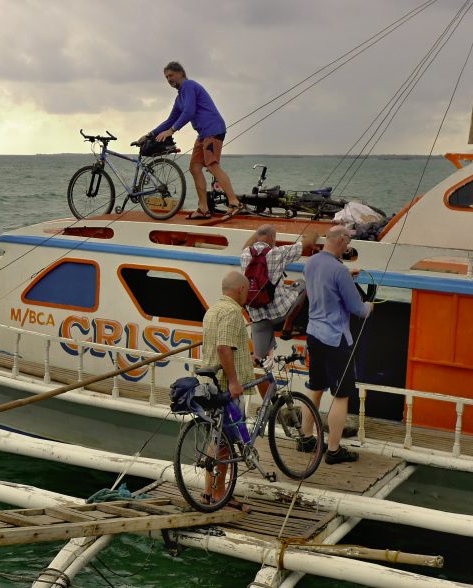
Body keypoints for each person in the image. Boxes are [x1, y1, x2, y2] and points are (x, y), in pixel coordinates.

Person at [303, 225, 373, 464]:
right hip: (335, 338)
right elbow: (358, 309)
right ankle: (333, 450)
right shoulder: (339, 271)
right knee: (341, 395)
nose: (348, 246)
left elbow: (326, 285)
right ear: (342, 241)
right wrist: (369, 307)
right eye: (348, 242)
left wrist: (346, 276)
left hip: (313, 333)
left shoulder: (311, 263)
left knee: (316, 386)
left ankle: (305, 438)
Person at [140, 61, 243, 221]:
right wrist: (149, 135)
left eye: (171, 75)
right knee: (195, 168)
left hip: (213, 129)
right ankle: (203, 209)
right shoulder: (180, 97)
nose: (169, 79)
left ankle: (234, 202)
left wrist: (172, 131)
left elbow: (189, 112)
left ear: (181, 73)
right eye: (166, 77)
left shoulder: (189, 86)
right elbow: (169, 120)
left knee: (212, 165)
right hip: (202, 134)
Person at [199, 272, 257, 502]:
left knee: (216, 440)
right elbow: (224, 348)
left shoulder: (213, 310)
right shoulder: (233, 312)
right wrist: (234, 381)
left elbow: (223, 347)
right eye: (248, 289)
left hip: (210, 386)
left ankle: (208, 492)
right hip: (225, 387)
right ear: (241, 289)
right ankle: (221, 495)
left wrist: (245, 357)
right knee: (225, 444)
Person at [240, 225, 318, 377]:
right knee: (301, 284)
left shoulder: (244, 254)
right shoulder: (278, 253)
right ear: (272, 238)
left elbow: (247, 244)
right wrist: (314, 233)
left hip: (257, 317)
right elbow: (307, 243)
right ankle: (287, 328)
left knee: (258, 360)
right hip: (279, 313)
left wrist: (257, 233)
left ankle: (249, 382)